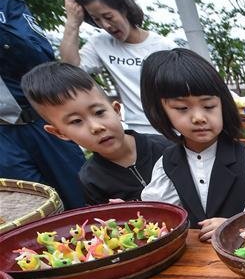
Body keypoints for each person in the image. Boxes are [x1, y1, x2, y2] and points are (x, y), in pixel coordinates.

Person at [139, 49, 245, 241]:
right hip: (191, 265)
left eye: (208, 106)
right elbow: (160, 223)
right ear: (161, 111)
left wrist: (235, 225)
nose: (199, 118)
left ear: (223, 105)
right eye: (182, 108)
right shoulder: (166, 165)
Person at [21, 61, 171, 205]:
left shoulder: (167, 147)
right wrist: (125, 214)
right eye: (76, 121)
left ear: (116, 110)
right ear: (60, 133)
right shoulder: (91, 180)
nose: (96, 127)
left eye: (99, 112)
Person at [0, 0, 86, 209]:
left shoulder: (8, 4)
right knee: (29, 209)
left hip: (41, 124)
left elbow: (39, 55)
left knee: (81, 197)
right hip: (3, 139)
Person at [60, 0, 175, 135]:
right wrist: (72, 23)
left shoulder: (165, 46)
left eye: (108, 17)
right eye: (97, 19)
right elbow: (69, 70)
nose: (106, 25)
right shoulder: (99, 43)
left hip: (172, 128)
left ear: (124, 9)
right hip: (138, 132)